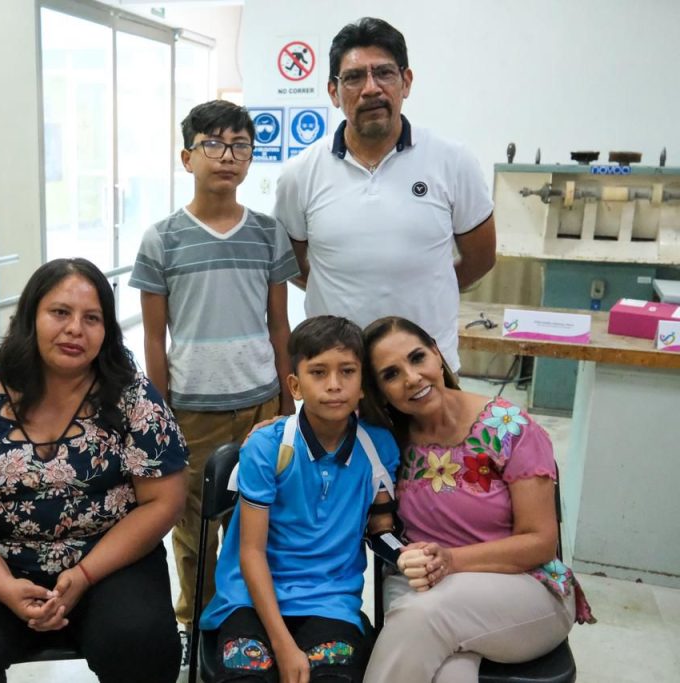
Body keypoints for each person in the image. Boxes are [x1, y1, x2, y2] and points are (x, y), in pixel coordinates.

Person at [0, 257, 188, 683]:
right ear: (31, 317)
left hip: (109, 561)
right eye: (60, 312)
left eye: (92, 318)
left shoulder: (132, 395)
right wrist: (5, 586)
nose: (75, 329)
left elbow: (163, 501)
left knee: (141, 640)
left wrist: (84, 574)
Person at [129, 99, 300, 650]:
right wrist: (160, 414)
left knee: (257, 520)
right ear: (188, 157)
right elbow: (154, 338)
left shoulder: (268, 233)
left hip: (260, 404)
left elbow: (280, 324)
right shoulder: (162, 239)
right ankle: (197, 628)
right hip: (191, 410)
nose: (228, 156)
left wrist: (287, 401)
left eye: (240, 146)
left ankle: (247, 623)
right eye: (213, 144)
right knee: (194, 528)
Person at [359, 316, 595, 683]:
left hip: (524, 589)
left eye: (418, 358)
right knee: (447, 673)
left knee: (424, 615)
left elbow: (541, 543)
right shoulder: (383, 441)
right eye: (391, 374)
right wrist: (274, 431)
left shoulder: (508, 428)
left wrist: (452, 561)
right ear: (379, 391)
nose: (412, 377)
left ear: (437, 354)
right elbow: (319, 432)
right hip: (421, 584)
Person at [274, 17, 496, 373]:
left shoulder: (453, 161)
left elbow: (481, 257)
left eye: (384, 73)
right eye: (354, 77)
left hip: (426, 371)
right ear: (333, 92)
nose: (371, 88)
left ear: (406, 82)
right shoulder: (299, 174)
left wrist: (426, 288)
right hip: (339, 375)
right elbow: (294, 266)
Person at [199, 316, 400, 683]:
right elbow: (251, 553)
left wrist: (408, 554)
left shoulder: (379, 447)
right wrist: (283, 646)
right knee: (246, 676)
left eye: (347, 371)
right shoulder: (267, 446)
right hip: (249, 597)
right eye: (318, 372)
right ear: (295, 385)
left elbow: (381, 529)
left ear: (363, 384)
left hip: (330, 601)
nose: (334, 384)